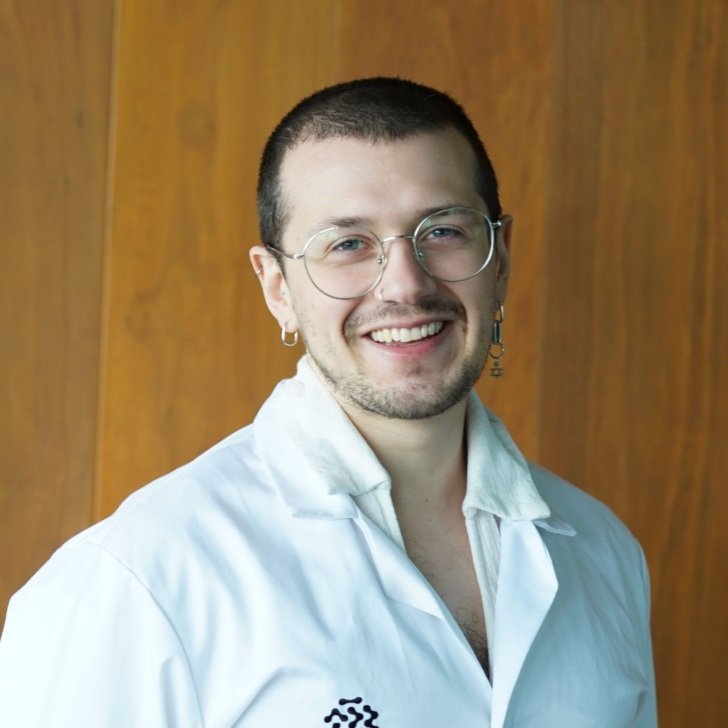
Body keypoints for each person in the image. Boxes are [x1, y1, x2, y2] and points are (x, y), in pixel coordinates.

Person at [0, 77, 656, 727]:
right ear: (278, 287)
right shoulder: (139, 579)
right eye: (347, 244)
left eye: (444, 231)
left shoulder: (603, 551)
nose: (404, 282)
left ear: (500, 257)